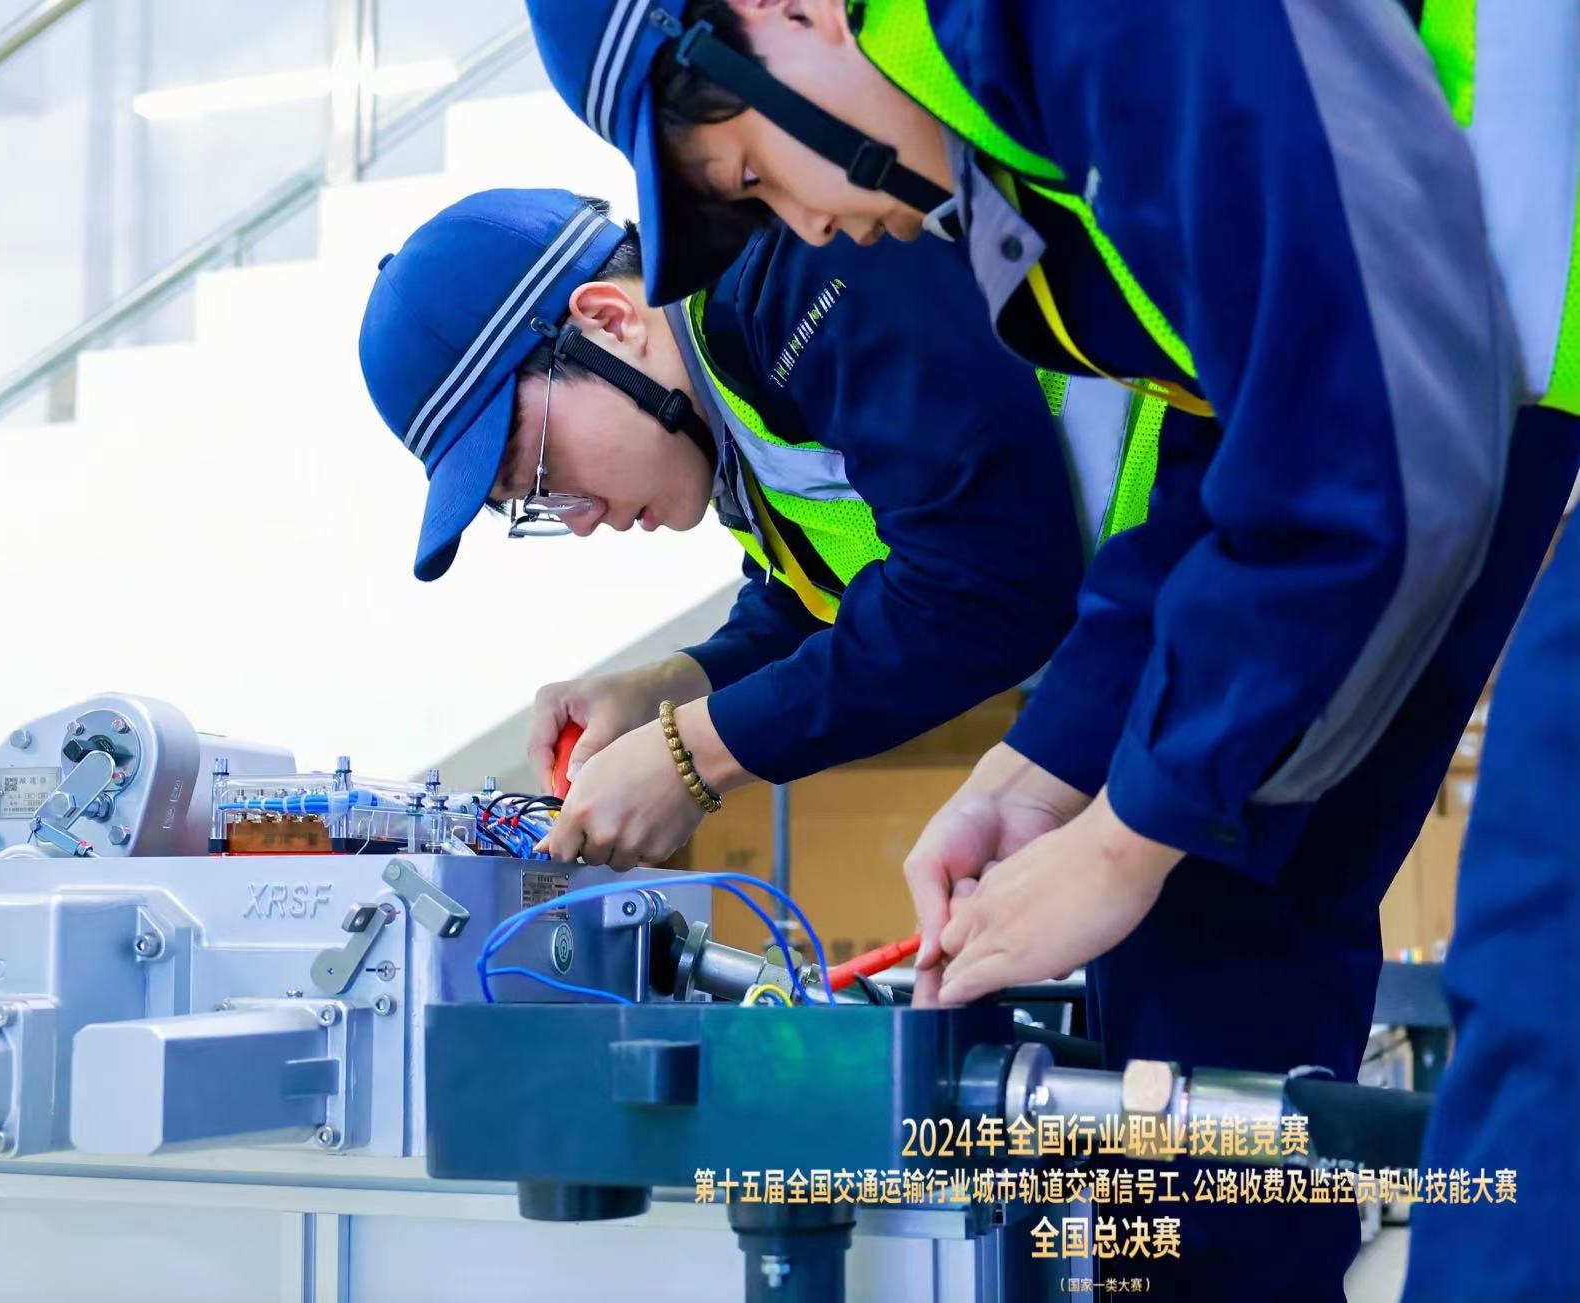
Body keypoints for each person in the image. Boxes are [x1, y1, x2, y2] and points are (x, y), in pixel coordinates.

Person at [523, 1, 1580, 1295]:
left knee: (1528, 1006)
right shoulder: (1027, 129)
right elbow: (1211, 453)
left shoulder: (1085, 35)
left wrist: (1126, 834)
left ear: (783, 9)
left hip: (1482, 389)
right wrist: (1043, 768)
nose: (805, 227)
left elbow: (1328, 450)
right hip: (1499, 387)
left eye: (753, 174)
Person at [357, 186, 1161, 867]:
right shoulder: (733, 400)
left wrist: (691, 755)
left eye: (538, 470)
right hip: (1165, 629)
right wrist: (675, 683)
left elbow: (983, 585)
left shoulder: (807, 277)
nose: (580, 519)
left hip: (1216, 559)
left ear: (607, 321)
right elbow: (832, 589)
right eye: (531, 507)